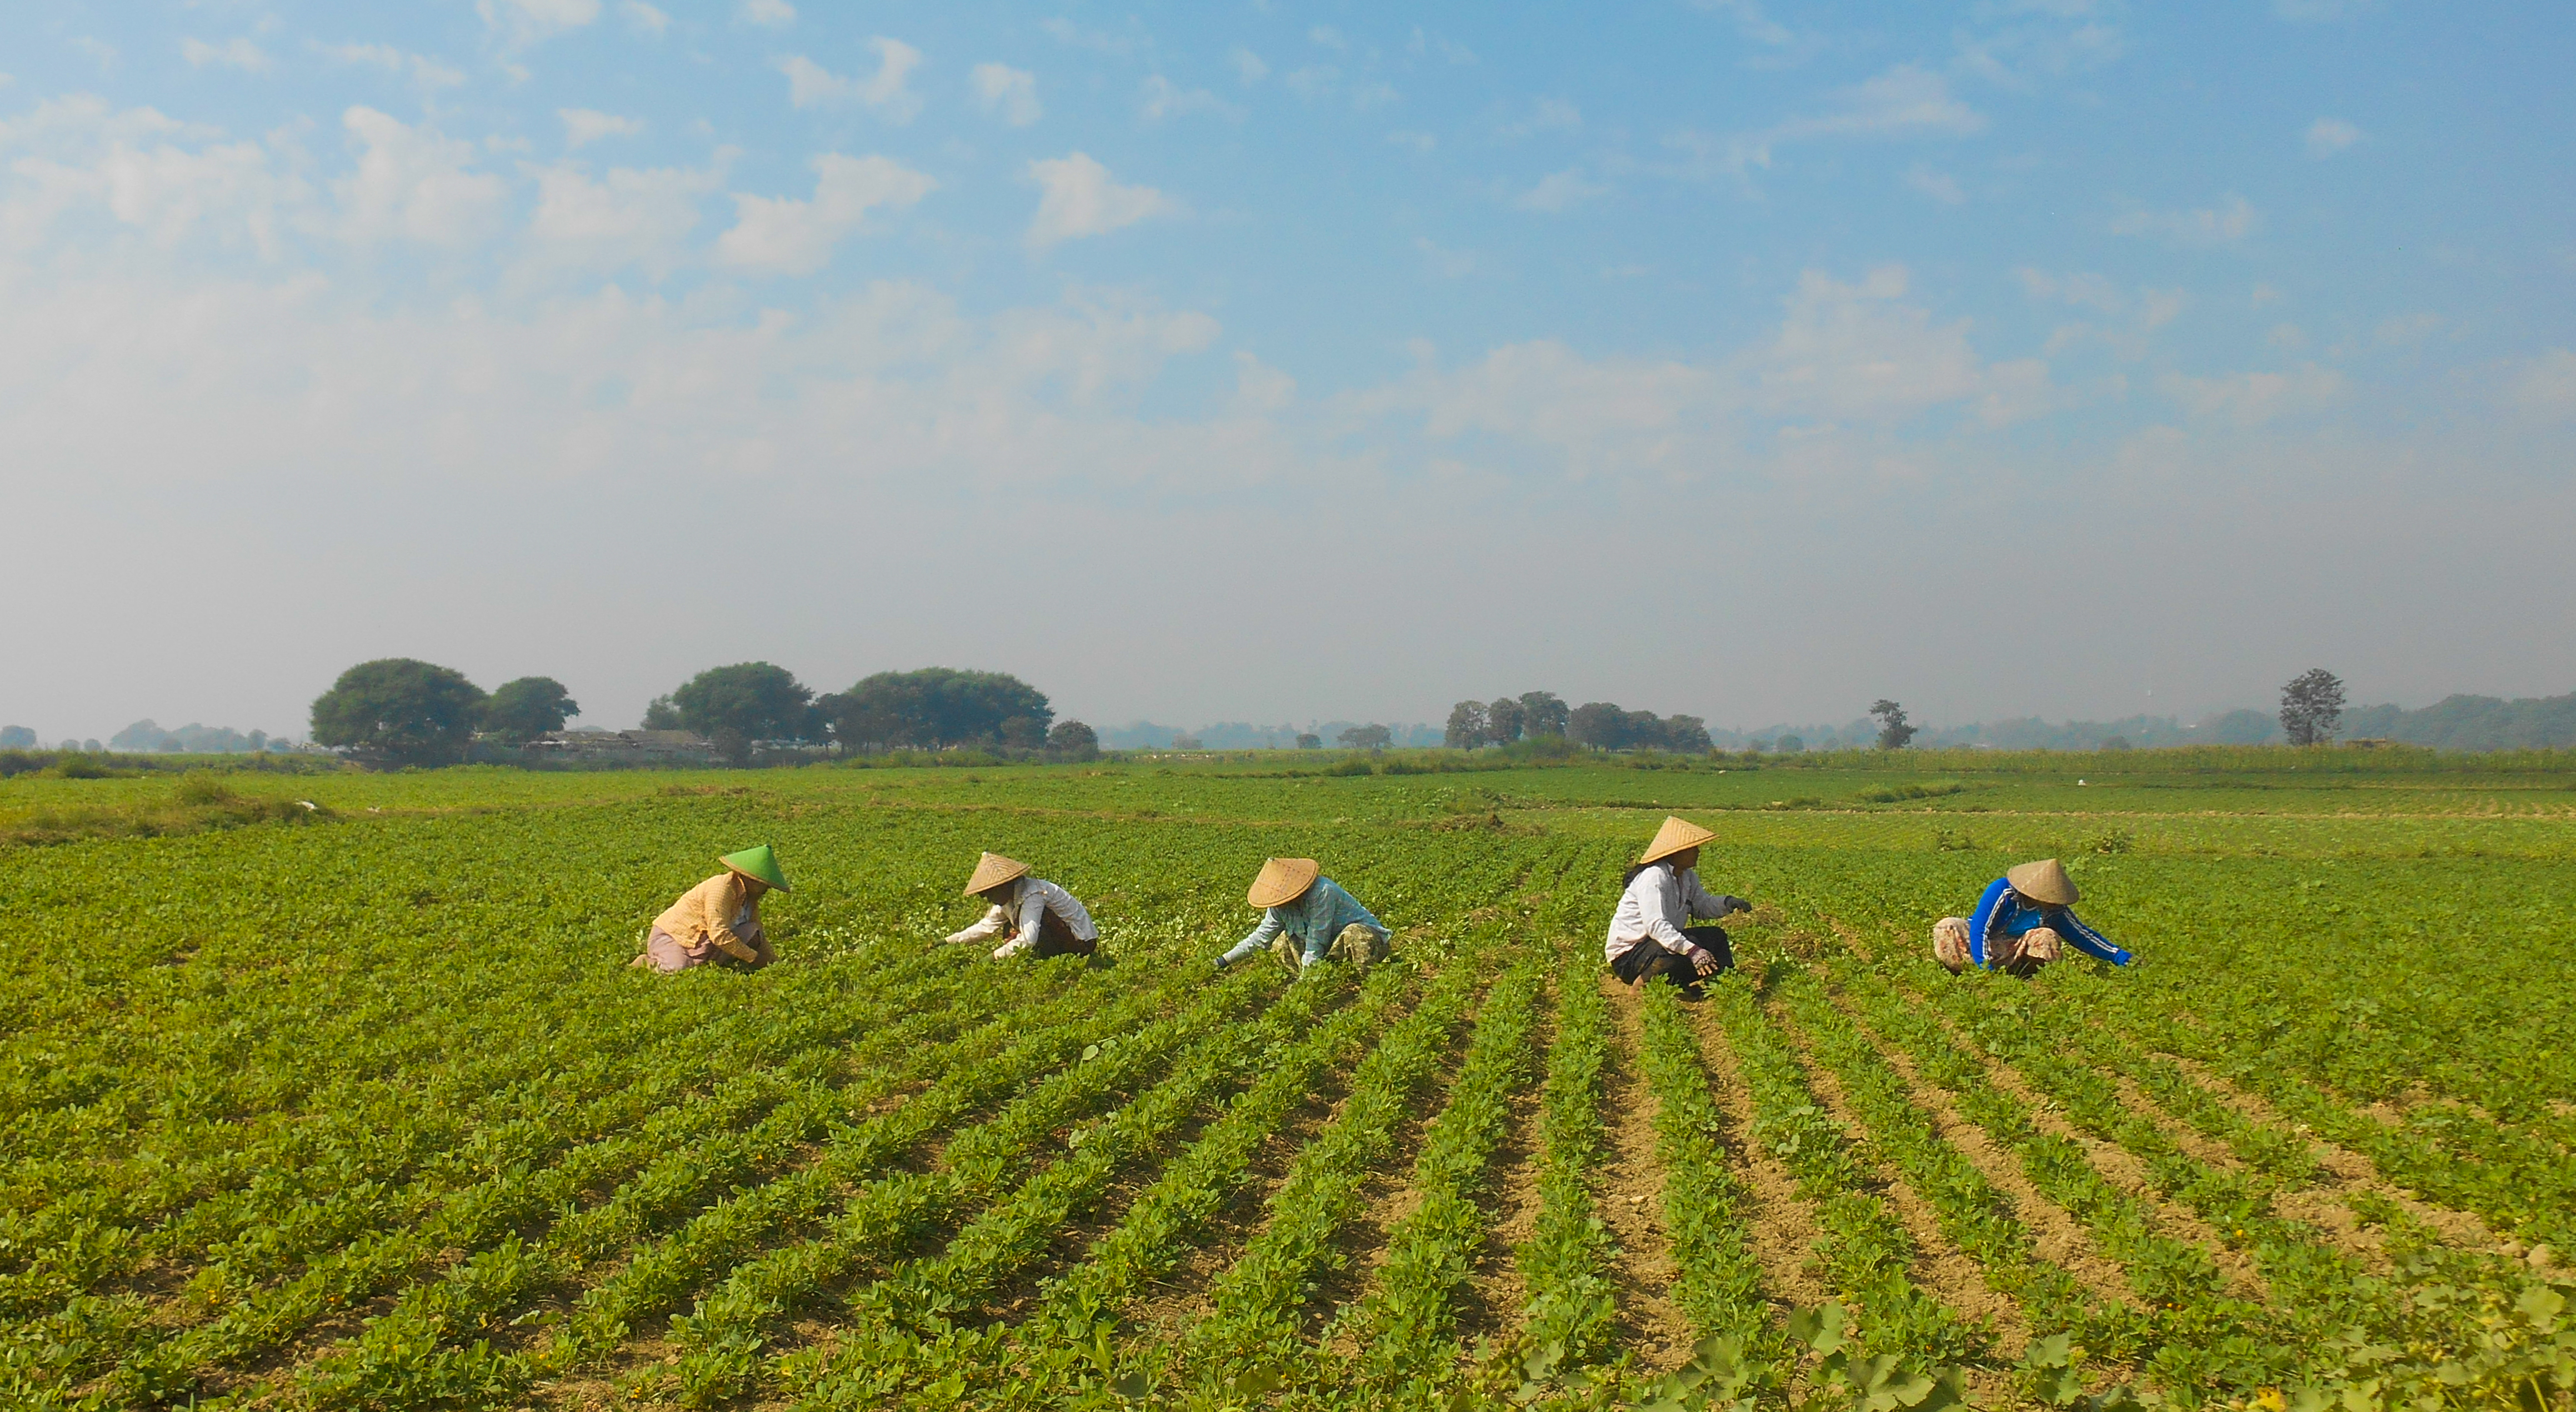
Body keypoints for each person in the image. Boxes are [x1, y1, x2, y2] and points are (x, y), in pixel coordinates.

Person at [1605, 816, 1750, 993]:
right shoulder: (1654, 877)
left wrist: (1728, 903)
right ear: (1677, 852)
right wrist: (1693, 950)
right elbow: (1656, 926)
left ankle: (1723, 984)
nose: (1698, 852)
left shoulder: (1688, 877)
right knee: (1683, 947)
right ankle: (1639, 986)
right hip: (1629, 956)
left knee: (1716, 937)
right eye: (1693, 848)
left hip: (1655, 946)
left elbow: (1702, 906)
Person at [1932, 858, 2132, 976]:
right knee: (1948, 926)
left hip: (2014, 951)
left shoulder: (2055, 911)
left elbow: (2082, 935)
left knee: (2046, 936)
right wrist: (1985, 969)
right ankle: (1963, 971)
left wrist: (2119, 956)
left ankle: (2025, 976)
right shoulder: (2002, 891)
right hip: (1983, 946)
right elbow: (1980, 930)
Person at [1214, 858, 1390, 977]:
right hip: (1327, 947)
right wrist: (1223, 961)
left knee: (1355, 933)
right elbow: (1261, 938)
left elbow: (1317, 940)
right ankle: (1317, 974)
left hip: (1364, 943)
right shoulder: (1278, 905)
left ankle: (1364, 981)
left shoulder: (1322, 892)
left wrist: (1307, 982)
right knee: (1281, 941)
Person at [633, 844, 788, 974]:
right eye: (764, 884)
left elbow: (759, 934)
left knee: (753, 932)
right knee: (679, 970)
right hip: (676, 937)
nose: (767, 889)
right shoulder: (722, 888)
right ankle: (645, 962)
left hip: (705, 941)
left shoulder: (750, 899)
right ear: (750, 879)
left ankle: (703, 962)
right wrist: (754, 958)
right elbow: (719, 935)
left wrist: (775, 963)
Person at [944, 852, 1099, 959]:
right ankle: (1044, 957)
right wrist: (947, 942)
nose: (989, 900)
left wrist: (993, 957)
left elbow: (1029, 939)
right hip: (1063, 936)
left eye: (989, 894)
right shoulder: (1008, 898)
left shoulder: (1034, 894)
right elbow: (986, 926)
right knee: (1010, 926)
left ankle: (1053, 958)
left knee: (1029, 925)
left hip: (1081, 943)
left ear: (1003, 886)